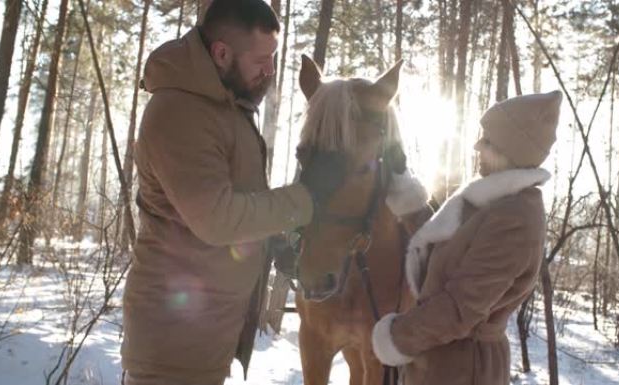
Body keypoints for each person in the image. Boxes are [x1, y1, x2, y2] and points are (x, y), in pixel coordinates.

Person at [121, 1, 428, 384]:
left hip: (207, 330)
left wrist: (273, 242)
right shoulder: (182, 113)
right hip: (175, 340)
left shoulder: (226, 109)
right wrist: (309, 196)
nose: (270, 70)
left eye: (274, 58)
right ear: (221, 53)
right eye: (262, 60)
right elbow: (217, 219)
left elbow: (241, 205)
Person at [371, 90, 563, 385]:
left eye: (487, 141)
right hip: (444, 364)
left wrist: (395, 337)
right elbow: (447, 250)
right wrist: (405, 192)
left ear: (510, 151)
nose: (476, 146)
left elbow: (460, 309)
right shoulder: (491, 202)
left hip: (462, 370)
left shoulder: (514, 218)